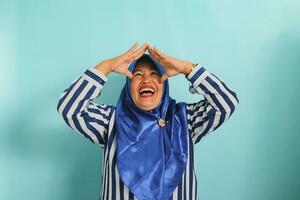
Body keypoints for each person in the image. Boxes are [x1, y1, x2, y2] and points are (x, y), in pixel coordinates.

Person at [57, 42, 239, 200]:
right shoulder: (110, 121)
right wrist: (106, 66)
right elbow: (69, 107)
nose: (146, 80)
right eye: (137, 75)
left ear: (164, 82)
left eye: (154, 74)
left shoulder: (187, 119)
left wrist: (187, 68)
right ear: (128, 86)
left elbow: (226, 102)